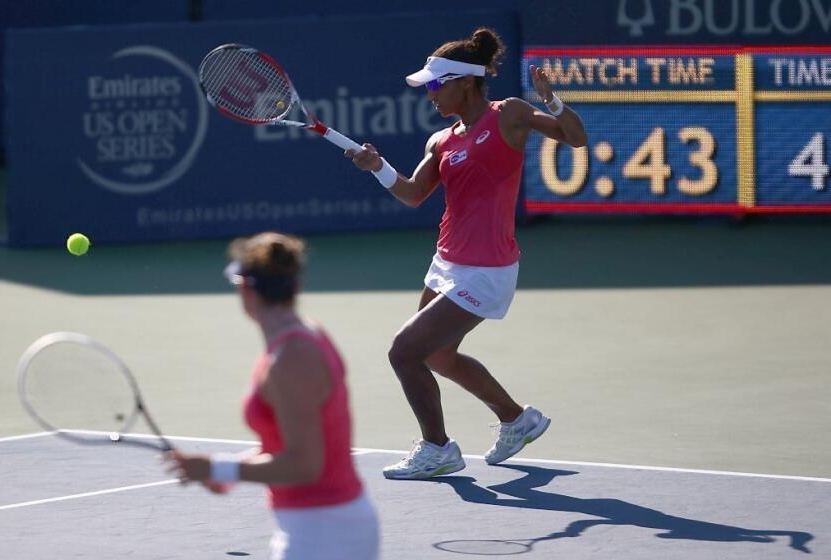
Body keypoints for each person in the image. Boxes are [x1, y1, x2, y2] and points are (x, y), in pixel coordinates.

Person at [345, 28, 587, 480]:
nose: (431, 95)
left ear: (466, 82)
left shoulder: (510, 114)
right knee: (436, 355)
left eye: (437, 86)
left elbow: (574, 139)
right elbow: (414, 193)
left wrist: (552, 102)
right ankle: (518, 419)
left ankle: (438, 449)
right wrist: (377, 167)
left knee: (403, 353)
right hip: (446, 262)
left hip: (486, 269)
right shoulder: (441, 141)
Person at [165, 232, 380, 560]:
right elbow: (286, 443)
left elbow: (306, 464)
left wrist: (219, 468)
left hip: (323, 535)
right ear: (295, 286)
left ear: (245, 288)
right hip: (324, 527)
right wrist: (220, 469)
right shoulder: (301, 337)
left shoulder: (291, 358)